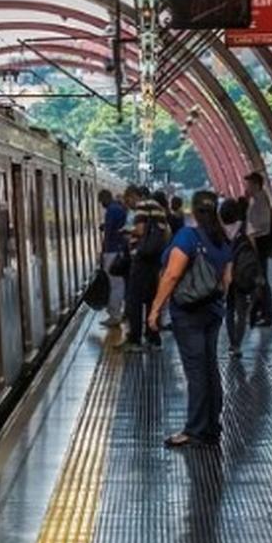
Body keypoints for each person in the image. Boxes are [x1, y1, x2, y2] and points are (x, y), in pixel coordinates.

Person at [149, 191, 234, 448]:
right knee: (210, 367)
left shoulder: (188, 237)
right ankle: (212, 425)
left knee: (196, 371)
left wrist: (155, 309)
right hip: (212, 311)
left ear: (194, 211)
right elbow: (227, 280)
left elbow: (172, 275)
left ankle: (195, 430)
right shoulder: (222, 239)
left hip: (188, 313)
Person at [123, 199, 168, 352]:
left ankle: (135, 340)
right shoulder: (158, 208)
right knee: (152, 300)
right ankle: (153, 338)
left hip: (141, 259)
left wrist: (128, 231)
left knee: (133, 301)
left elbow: (141, 230)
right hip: (155, 260)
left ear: (133, 195)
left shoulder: (142, 206)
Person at [221, 197, 257, 356]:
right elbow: (253, 248)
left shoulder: (220, 230)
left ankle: (231, 343)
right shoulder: (245, 226)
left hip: (227, 273)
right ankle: (238, 345)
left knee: (229, 309)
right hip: (243, 272)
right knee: (241, 310)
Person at [244, 172, 272, 327]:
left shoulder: (260, 200)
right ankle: (263, 312)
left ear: (256, 184)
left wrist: (252, 236)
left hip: (259, 243)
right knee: (260, 278)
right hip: (257, 242)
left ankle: (268, 314)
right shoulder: (256, 200)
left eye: (249, 184)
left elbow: (263, 224)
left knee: (261, 279)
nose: (246, 187)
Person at [98, 189, 128, 330]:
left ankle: (115, 315)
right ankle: (116, 313)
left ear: (105, 199)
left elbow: (109, 232)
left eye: (101, 201)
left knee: (114, 284)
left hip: (112, 251)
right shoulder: (119, 208)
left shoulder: (112, 210)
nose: (101, 205)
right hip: (118, 250)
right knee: (117, 283)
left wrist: (103, 252)